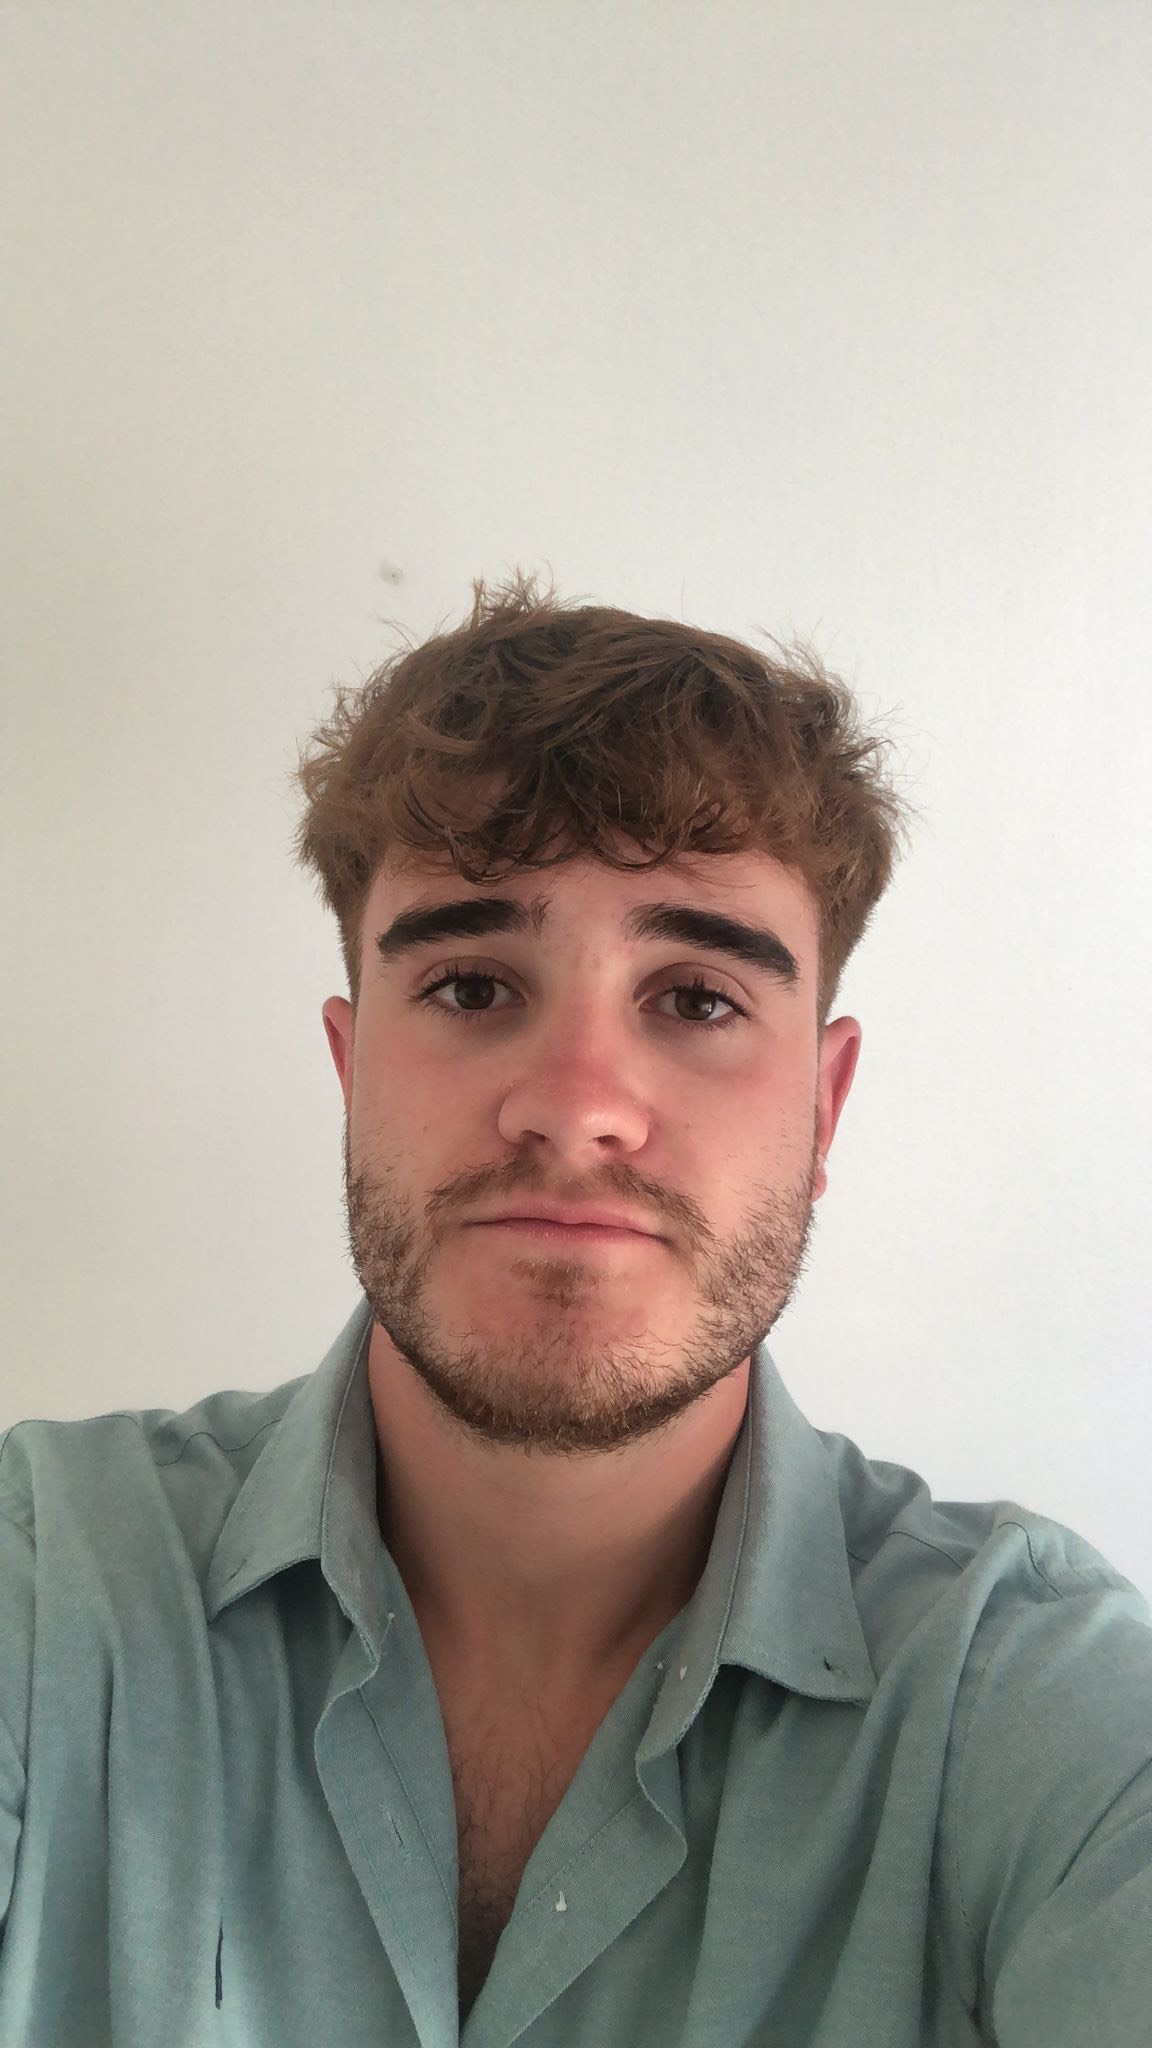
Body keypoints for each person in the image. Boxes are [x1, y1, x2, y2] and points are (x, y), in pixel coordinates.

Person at [1, 569, 1149, 2046]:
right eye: (474, 987)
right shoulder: (47, 1587)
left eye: (698, 999)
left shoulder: (1039, 1709)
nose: (575, 1105)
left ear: (825, 1104)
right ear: (351, 1069)